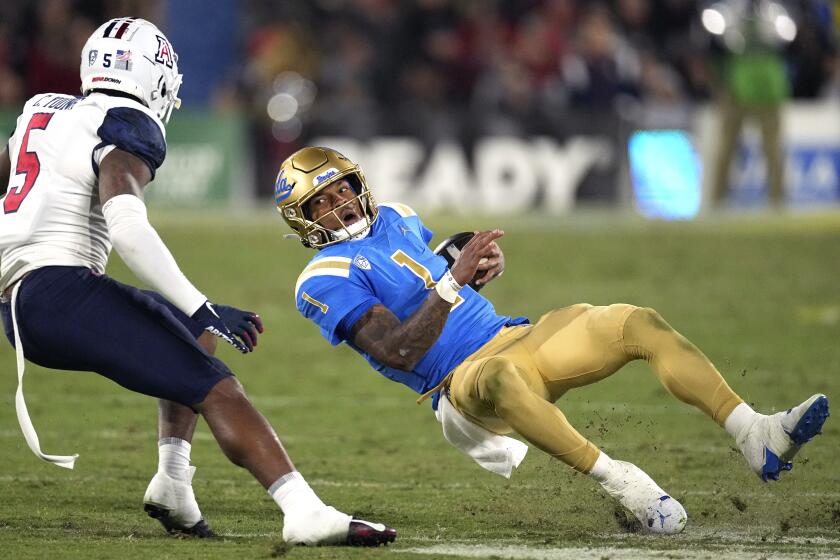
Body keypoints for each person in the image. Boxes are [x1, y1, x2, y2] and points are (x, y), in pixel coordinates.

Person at [276, 146, 830, 534]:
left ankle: (754, 431)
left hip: (514, 335)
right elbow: (398, 348)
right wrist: (453, 279)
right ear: (303, 221)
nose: (339, 203)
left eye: (342, 188)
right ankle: (628, 487)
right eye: (320, 202)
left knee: (635, 321)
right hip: (458, 384)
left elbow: (427, 271)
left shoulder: (397, 214)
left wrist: (472, 262)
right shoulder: (322, 277)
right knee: (499, 377)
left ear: (360, 184)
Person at [0, 19, 395, 547]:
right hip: (56, 293)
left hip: (23, 300)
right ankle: (304, 510)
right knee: (218, 386)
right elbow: (128, 226)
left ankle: (173, 484)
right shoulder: (126, 124)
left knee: (193, 332)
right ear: (152, 76)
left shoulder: (42, 110)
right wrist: (204, 303)